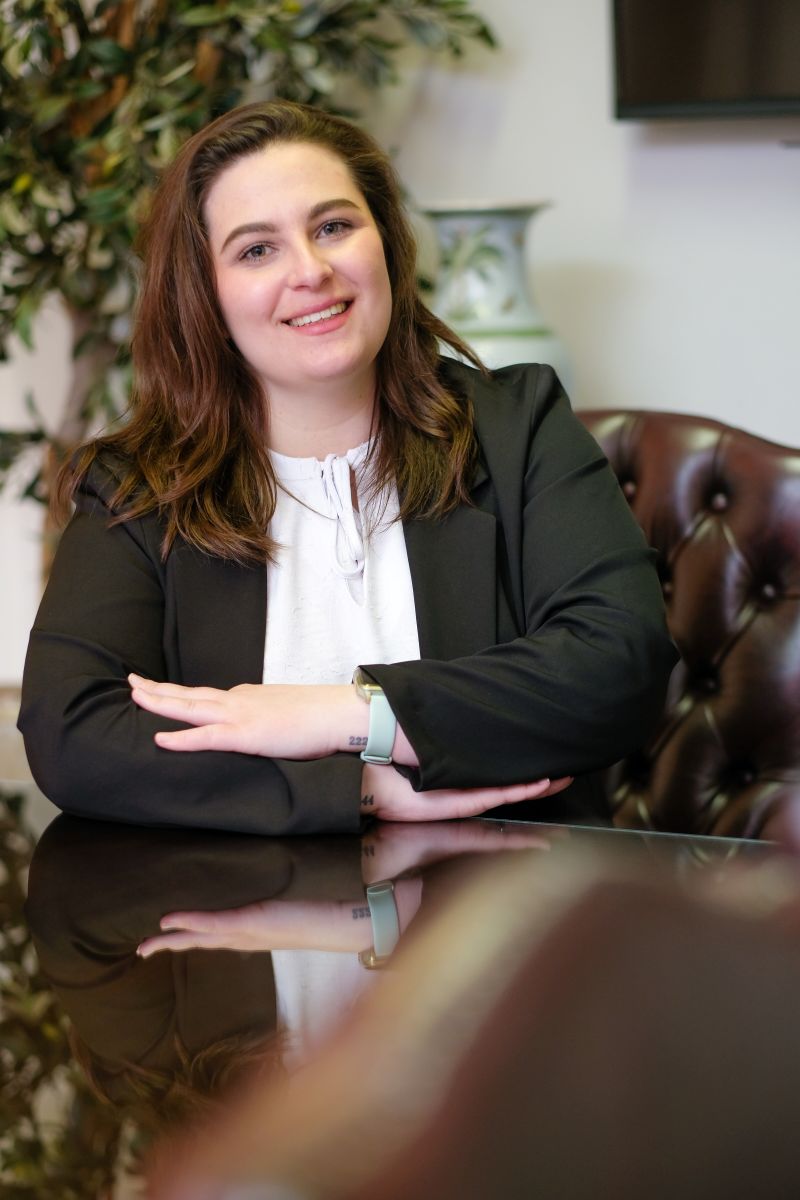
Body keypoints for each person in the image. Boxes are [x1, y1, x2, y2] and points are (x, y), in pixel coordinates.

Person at [18, 100, 676, 835]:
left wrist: (346, 714)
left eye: (333, 227)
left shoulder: (517, 428)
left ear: (385, 242)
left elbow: (618, 664)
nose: (311, 270)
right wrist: (358, 787)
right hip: (234, 903)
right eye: (256, 250)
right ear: (206, 295)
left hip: (509, 895)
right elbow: (70, 730)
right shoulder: (140, 486)